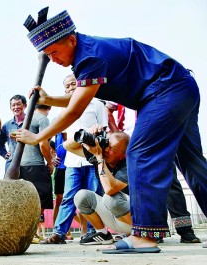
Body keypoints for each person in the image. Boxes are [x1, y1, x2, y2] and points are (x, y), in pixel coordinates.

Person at [17, 8, 207, 253]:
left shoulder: (91, 57)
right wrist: (50, 99)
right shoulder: (86, 55)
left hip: (165, 91)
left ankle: (145, 234)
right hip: (181, 87)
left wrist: (38, 136)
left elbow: (75, 111)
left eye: (54, 52)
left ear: (71, 40)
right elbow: (82, 95)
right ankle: (147, 233)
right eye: (47, 55)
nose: (53, 60)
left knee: (139, 153)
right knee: (192, 163)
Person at [106, 102, 201, 244]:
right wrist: (116, 132)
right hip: (131, 146)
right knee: (141, 189)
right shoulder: (122, 92)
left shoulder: (152, 88)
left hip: (155, 140)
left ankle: (185, 230)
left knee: (170, 184)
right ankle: (154, 231)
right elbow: (108, 108)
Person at [41, 75, 107, 244]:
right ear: (64, 90)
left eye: (73, 84)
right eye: (67, 85)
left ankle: (94, 232)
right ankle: (59, 233)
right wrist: (56, 155)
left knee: (93, 196)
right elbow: (59, 135)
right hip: (71, 161)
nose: (71, 87)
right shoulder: (63, 110)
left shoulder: (97, 104)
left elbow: (104, 130)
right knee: (68, 197)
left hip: (92, 159)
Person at [64, 125, 132, 245]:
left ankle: (138, 233)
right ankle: (103, 234)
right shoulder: (100, 153)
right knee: (81, 196)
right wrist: (87, 132)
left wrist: (99, 158)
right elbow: (67, 146)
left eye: (112, 149)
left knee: (111, 198)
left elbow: (110, 189)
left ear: (123, 155)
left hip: (134, 220)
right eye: (107, 144)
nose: (106, 150)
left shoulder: (129, 164)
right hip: (114, 217)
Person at [19, 104, 54, 243]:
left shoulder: (26, 118)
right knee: (39, 201)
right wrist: (50, 162)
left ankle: (28, 232)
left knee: (28, 201)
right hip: (36, 164)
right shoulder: (42, 119)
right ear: (49, 107)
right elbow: (43, 144)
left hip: (22, 164)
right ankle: (30, 232)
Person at [0, 95, 27, 172]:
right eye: (13, 105)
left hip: (28, 163)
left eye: (18, 104)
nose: (16, 107)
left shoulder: (32, 122)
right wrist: (4, 153)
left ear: (25, 105)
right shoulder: (7, 125)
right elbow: (0, 142)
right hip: (11, 163)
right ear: (10, 108)